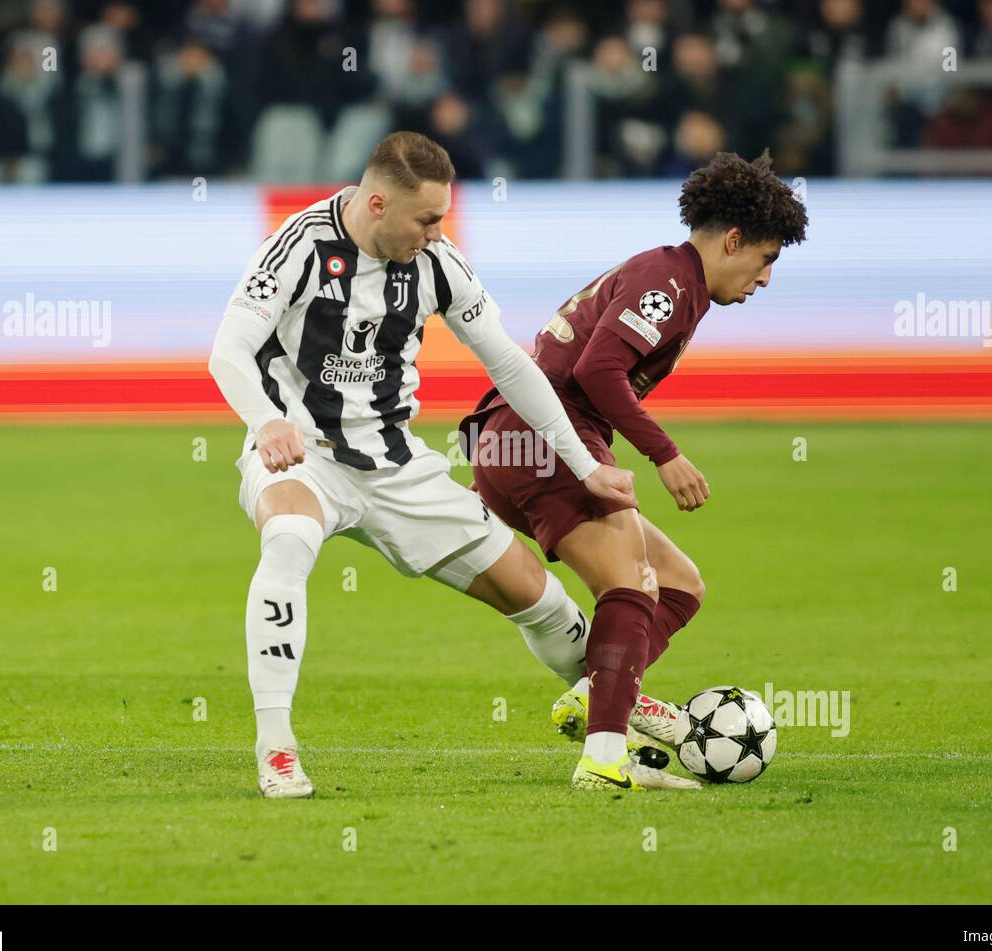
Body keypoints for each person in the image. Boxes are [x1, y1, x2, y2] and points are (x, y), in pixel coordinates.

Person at [208, 131, 696, 798]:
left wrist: (584, 465)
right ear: (377, 203)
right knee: (288, 538)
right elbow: (229, 349)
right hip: (304, 451)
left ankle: (614, 716)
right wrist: (267, 422)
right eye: (427, 219)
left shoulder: (438, 263)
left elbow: (510, 364)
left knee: (539, 598)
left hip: (400, 465)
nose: (437, 233)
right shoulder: (300, 246)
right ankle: (278, 748)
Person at [460, 150, 808, 790]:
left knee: (678, 583)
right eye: (766, 259)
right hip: (542, 438)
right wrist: (665, 454)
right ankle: (604, 758)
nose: (764, 279)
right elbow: (597, 370)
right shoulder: (668, 286)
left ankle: (599, 696)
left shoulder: (673, 279)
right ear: (733, 240)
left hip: (520, 440)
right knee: (630, 584)